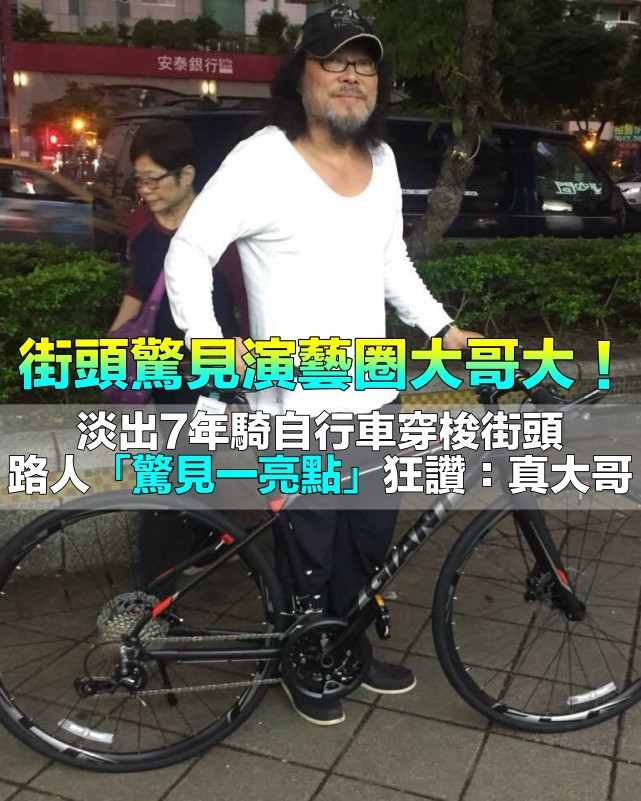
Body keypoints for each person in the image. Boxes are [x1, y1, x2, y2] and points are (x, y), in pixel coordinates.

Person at [165, 4, 479, 726]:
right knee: (307, 548)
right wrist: (208, 341)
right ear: (299, 76)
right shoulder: (261, 159)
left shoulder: (381, 159)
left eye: (363, 65)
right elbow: (189, 253)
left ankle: (344, 648)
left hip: (375, 398)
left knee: (366, 543)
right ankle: (303, 664)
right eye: (333, 61)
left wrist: (444, 328)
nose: (350, 76)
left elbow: (390, 263)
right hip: (294, 409)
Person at [109, 120, 248, 583]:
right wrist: (112, 345)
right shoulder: (140, 223)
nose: (145, 190)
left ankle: (152, 591)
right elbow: (139, 288)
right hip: (156, 367)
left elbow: (248, 304)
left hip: (211, 372)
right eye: (139, 180)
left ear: (186, 174)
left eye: (154, 179)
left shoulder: (221, 231)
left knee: (174, 468)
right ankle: (209, 543)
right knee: (187, 464)